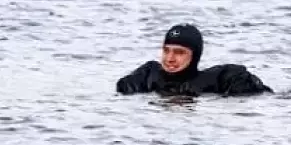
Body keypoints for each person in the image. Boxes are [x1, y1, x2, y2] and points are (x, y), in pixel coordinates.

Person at [115, 24, 273, 97]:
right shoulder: (149, 73)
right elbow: (123, 89)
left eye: (179, 52)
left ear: (195, 55)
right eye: (166, 50)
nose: (170, 58)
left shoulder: (218, 78)